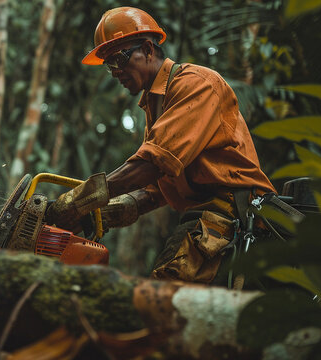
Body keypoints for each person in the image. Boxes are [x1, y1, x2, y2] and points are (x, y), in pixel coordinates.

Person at [45, 7, 277, 285]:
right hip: (209, 214)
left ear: (147, 49)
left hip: (232, 212)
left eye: (118, 59)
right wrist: (101, 215)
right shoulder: (156, 103)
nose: (115, 72)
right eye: (109, 65)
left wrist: (76, 200)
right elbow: (155, 191)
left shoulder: (196, 84)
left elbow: (152, 164)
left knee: (161, 298)